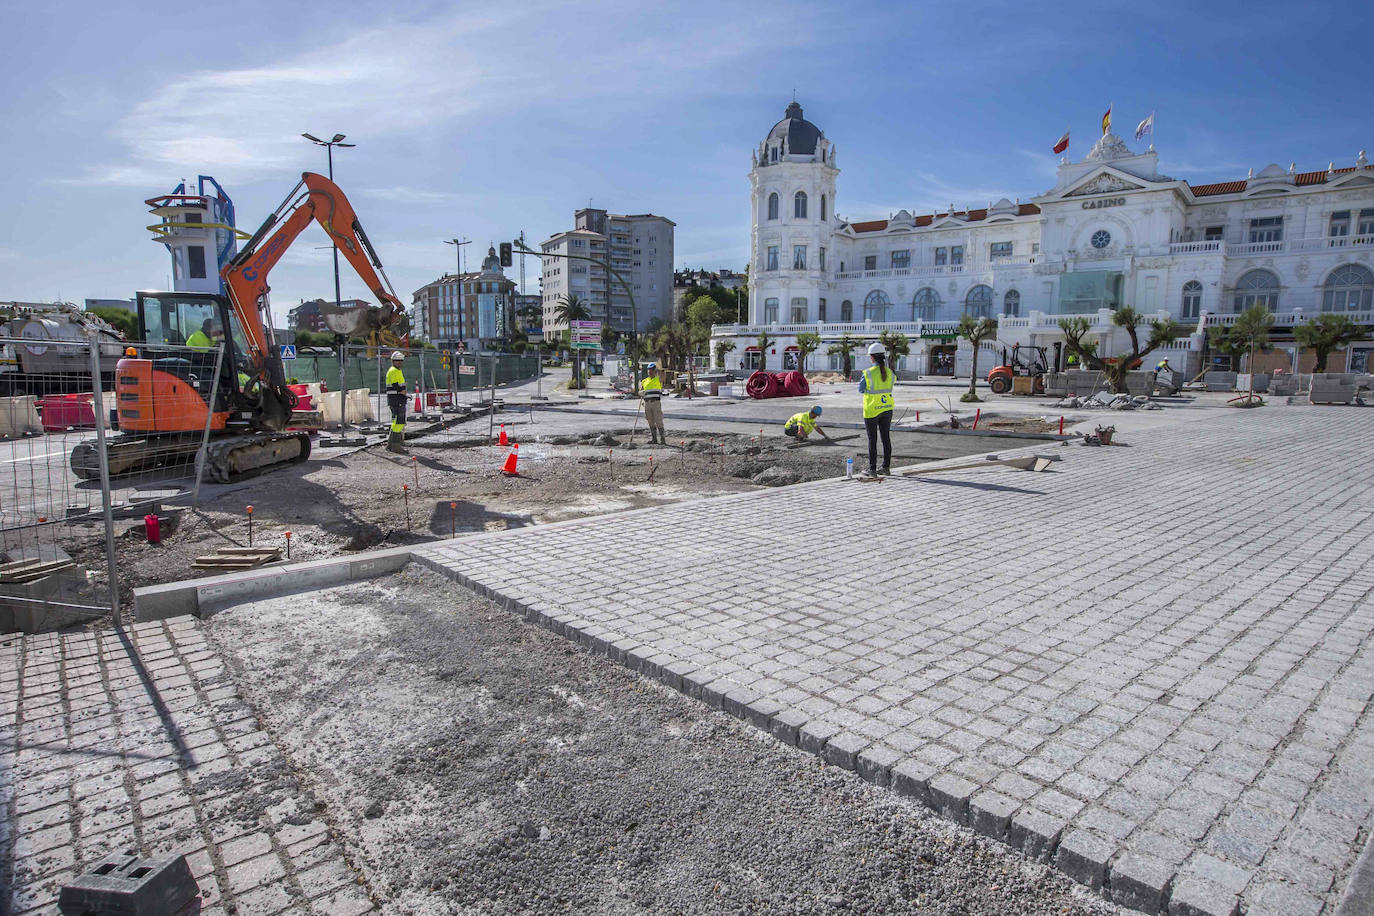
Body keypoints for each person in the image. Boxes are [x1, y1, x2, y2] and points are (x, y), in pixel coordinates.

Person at [858, 342, 894, 476]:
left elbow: (861, 389)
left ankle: (872, 469)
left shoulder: (868, 373)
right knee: (886, 438)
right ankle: (886, 467)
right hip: (887, 408)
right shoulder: (890, 372)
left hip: (872, 410)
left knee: (872, 439)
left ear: (872, 358)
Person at [385, 351, 408, 454]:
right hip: (397, 399)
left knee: (395, 422)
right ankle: (395, 446)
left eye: (401, 361)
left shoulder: (395, 370)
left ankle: (390, 445)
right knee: (399, 422)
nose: (400, 363)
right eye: (397, 361)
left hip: (395, 399)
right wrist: (402, 391)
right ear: (393, 361)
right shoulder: (394, 371)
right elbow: (395, 385)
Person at [640, 362, 667, 444]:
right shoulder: (644, 381)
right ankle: (654, 439)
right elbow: (640, 390)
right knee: (650, 421)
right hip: (647, 403)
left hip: (655, 403)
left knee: (658, 420)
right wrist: (640, 392)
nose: (649, 371)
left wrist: (658, 369)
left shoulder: (658, 379)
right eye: (648, 370)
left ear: (654, 370)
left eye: (651, 369)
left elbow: (663, 376)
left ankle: (662, 439)